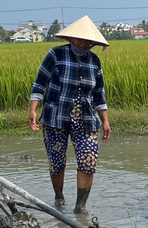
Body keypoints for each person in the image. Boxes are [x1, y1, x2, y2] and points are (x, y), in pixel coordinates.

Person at [29, 15, 112, 215]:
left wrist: (106, 121)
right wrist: (33, 109)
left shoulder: (94, 61)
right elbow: (40, 83)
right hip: (56, 117)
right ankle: (59, 197)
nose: (84, 44)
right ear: (71, 38)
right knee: (57, 161)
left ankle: (80, 206)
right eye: (80, 39)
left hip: (85, 119)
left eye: (88, 41)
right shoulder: (56, 55)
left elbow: (99, 94)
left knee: (88, 158)